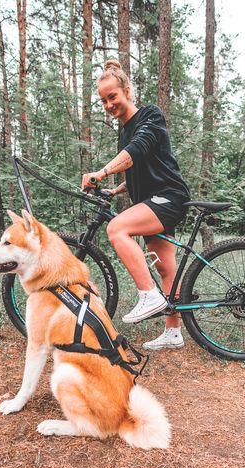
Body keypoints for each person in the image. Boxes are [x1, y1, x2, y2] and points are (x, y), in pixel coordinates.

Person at [81, 59, 191, 351]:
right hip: (153, 202)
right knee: (167, 270)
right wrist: (113, 188)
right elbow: (136, 169)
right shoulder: (124, 131)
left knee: (117, 229)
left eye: (112, 96)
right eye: (103, 100)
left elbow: (137, 151)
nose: (108, 104)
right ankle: (173, 332)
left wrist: (102, 171)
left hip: (168, 198)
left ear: (127, 91)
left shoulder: (150, 116)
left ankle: (149, 295)